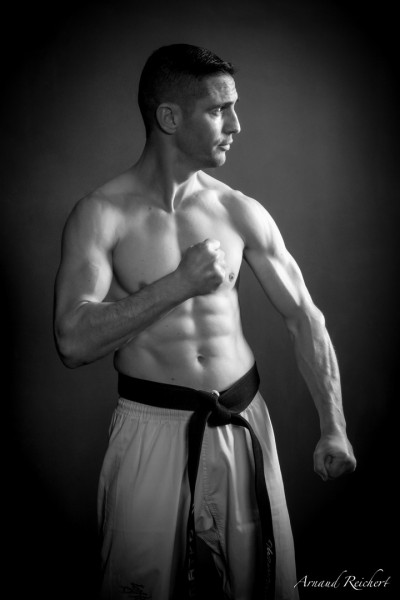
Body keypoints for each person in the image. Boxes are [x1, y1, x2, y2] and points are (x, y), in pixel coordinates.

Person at [53, 44, 356, 600]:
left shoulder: (238, 209)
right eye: (219, 110)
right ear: (170, 117)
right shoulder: (101, 215)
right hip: (150, 432)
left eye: (233, 108)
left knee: (267, 587)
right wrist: (179, 284)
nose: (236, 125)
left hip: (241, 424)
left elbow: (304, 316)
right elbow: (72, 341)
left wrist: (333, 424)